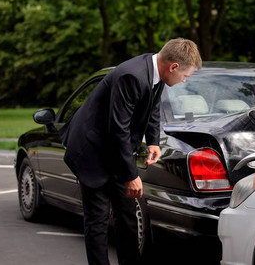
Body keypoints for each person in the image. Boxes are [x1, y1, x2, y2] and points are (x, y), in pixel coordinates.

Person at [59, 38, 202, 265]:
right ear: (174, 66)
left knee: (127, 218)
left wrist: (153, 141)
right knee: (98, 220)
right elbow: (119, 129)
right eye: (185, 76)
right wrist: (131, 175)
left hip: (116, 151)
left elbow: (152, 107)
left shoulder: (158, 73)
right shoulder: (132, 76)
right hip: (92, 150)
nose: (184, 81)